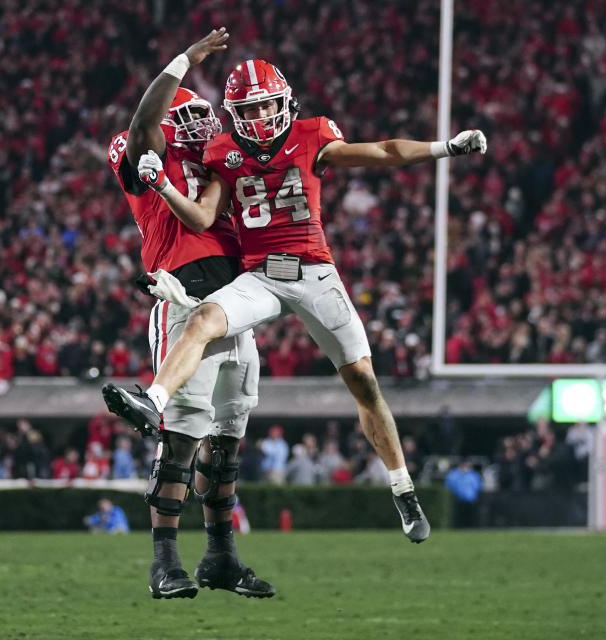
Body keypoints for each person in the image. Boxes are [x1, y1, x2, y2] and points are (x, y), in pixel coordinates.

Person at [105, 54, 487, 544]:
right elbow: (200, 219)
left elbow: (385, 151)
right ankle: (151, 400)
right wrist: (158, 184)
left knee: (365, 384)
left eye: (267, 107)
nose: (261, 118)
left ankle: (403, 487)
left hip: (314, 274)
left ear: (284, 103)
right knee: (202, 319)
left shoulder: (312, 135)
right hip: (260, 275)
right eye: (251, 109)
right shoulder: (221, 151)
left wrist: (444, 148)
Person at [100, 30, 274, 599]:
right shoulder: (143, 146)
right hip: (182, 296)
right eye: (192, 113)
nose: (205, 121)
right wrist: (183, 61)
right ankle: (164, 561)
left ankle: (220, 556)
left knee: (226, 442)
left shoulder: (217, 158)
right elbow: (145, 124)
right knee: (181, 437)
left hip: (236, 301)